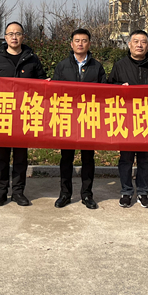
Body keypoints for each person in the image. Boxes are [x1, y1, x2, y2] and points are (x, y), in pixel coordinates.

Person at [0, 22, 47, 206]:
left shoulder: (32, 58)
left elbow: (42, 81)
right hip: (2, 113)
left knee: (20, 156)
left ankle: (18, 192)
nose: (14, 37)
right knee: (1, 156)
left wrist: (46, 83)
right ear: (5, 37)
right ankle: (1, 192)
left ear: (23, 36)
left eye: (18, 34)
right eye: (10, 34)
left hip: (23, 114)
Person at [108, 30, 148, 209]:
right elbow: (108, 87)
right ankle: (126, 192)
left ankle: (143, 192)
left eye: (143, 42)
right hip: (126, 118)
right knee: (126, 158)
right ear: (129, 44)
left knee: (145, 158)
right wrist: (120, 87)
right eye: (136, 41)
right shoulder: (120, 65)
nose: (139, 45)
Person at [51, 28, 107, 210]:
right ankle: (65, 194)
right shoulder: (62, 66)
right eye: (77, 40)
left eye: (84, 40)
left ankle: (87, 194)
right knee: (66, 158)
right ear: (71, 44)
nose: (80, 44)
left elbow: (105, 92)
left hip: (89, 116)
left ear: (89, 44)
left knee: (88, 158)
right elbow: (55, 92)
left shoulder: (97, 67)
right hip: (68, 116)